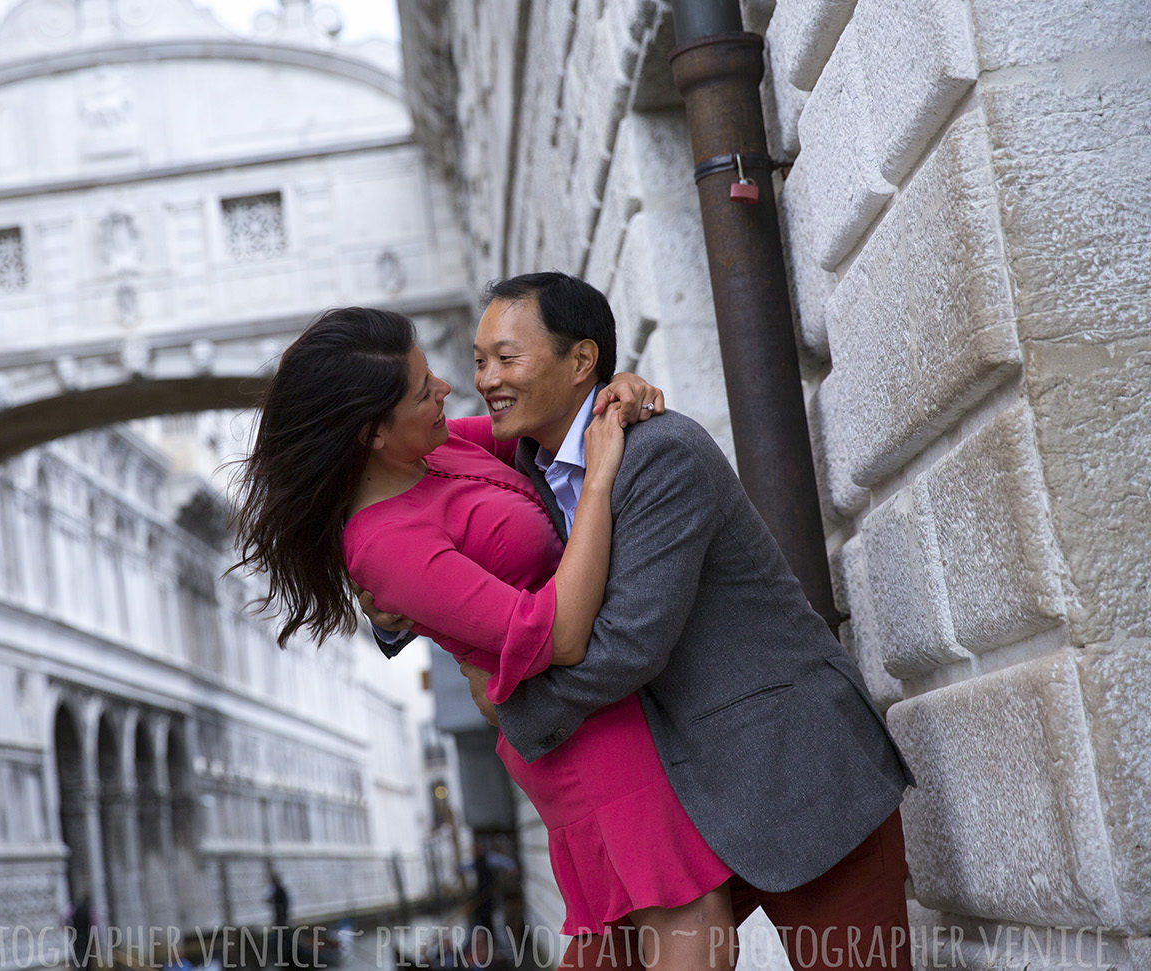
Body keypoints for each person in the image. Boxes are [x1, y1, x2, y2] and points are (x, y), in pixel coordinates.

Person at [366, 273, 915, 971]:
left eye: (506, 358)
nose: (484, 380)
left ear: (580, 362)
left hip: (794, 777)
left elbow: (627, 646)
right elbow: (404, 506)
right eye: (480, 361)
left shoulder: (662, 454)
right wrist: (384, 600)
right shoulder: (521, 462)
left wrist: (517, 714)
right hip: (673, 804)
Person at [232, 307, 736, 971]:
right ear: (372, 433)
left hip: (606, 706)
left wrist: (615, 392)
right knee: (694, 927)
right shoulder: (385, 546)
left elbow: (541, 428)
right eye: (422, 389)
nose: (446, 387)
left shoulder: (434, 449)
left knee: (651, 938)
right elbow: (558, 636)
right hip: (579, 737)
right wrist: (603, 476)